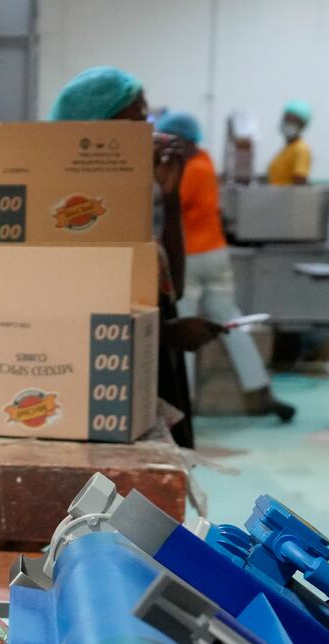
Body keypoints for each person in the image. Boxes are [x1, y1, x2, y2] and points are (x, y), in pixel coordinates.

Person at [50, 66, 222, 448]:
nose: (148, 132)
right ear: (96, 132)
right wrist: (168, 333)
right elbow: (69, 319)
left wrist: (172, 199)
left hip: (152, 372)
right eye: (136, 120)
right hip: (107, 390)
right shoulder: (71, 214)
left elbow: (169, 285)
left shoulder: (122, 201)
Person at [157, 110, 294, 423]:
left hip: (191, 258)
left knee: (183, 325)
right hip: (216, 255)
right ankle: (259, 390)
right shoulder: (205, 162)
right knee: (230, 322)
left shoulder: (187, 170)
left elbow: (162, 202)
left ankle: (184, 401)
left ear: (181, 140)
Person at [267, 100, 312, 186]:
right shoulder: (286, 149)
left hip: (286, 199)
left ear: (302, 125)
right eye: (286, 119)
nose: (287, 123)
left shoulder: (301, 149)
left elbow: (300, 183)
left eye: (293, 121)